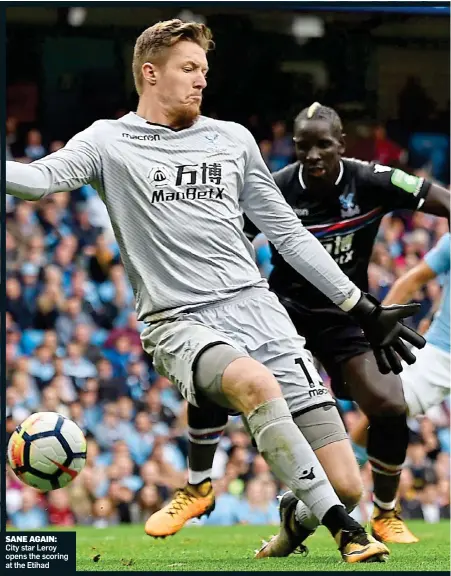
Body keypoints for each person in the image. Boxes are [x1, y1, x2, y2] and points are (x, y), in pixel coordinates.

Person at [6, 21, 424, 563]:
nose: (201, 81)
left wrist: (361, 308)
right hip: (179, 320)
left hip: (260, 313)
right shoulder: (107, 141)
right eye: (188, 69)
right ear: (150, 74)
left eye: (204, 70)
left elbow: (290, 236)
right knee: (254, 384)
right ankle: (348, 532)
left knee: (344, 482)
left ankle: (302, 516)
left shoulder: (232, 139)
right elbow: (38, 182)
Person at [169, 102, 450, 552]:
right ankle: (199, 483)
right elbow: (226, 239)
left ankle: (385, 513)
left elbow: (444, 201)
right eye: (303, 147)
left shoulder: (371, 179)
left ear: (342, 144)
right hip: (282, 313)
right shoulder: (273, 187)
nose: (314, 155)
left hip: (347, 315)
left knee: (389, 404)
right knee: (213, 366)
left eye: (324, 145)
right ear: (293, 148)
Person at [351, 232, 450, 464]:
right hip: (443, 352)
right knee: (387, 405)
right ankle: (334, 481)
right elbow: (413, 280)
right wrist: (376, 329)